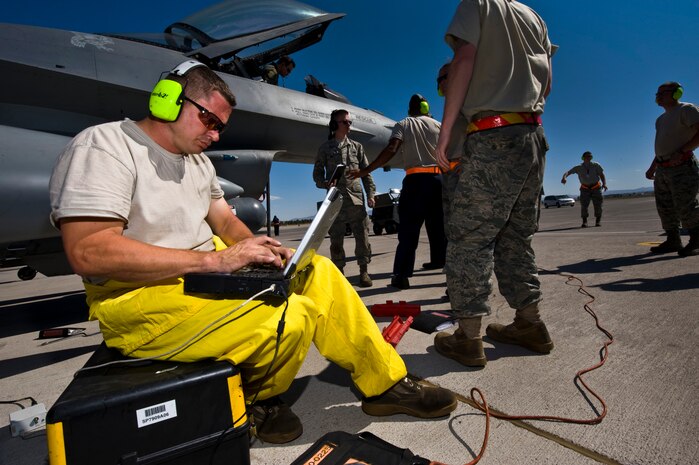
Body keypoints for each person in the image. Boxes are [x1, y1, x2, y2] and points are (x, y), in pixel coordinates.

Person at [48, 61, 457, 445]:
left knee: (319, 272)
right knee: (290, 317)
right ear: (168, 99)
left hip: (201, 282)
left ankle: (385, 382)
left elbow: (226, 224)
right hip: (136, 300)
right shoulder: (105, 145)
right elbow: (89, 251)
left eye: (221, 126)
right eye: (209, 120)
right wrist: (212, 261)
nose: (215, 134)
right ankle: (261, 396)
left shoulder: (197, 164)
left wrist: (268, 250)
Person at [432, 0, 556, 368]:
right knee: (516, 237)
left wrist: (444, 135)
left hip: (492, 134)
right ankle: (530, 324)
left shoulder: (479, 4)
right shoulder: (534, 16)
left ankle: (468, 339)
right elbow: (547, 84)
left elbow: (464, 61)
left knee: (470, 238)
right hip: (532, 136)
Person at [349, 94, 447, 290]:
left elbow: (392, 148)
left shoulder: (404, 124)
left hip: (416, 181)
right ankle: (439, 261)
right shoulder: (438, 125)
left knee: (409, 231)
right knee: (438, 229)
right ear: (426, 108)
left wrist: (366, 170)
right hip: (439, 180)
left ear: (410, 109)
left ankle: (401, 275)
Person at [313, 109, 376, 287]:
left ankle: (364, 272)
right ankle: (339, 274)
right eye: (345, 122)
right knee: (336, 239)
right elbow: (317, 173)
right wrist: (324, 183)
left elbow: (366, 173)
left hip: (356, 199)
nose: (349, 125)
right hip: (335, 200)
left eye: (349, 122)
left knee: (362, 236)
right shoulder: (325, 149)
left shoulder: (357, 147)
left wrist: (370, 194)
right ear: (335, 125)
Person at [645, 81, 699, 257]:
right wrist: (653, 167)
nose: (658, 96)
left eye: (663, 92)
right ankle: (673, 240)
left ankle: (697, 241)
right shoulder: (660, 119)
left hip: (682, 166)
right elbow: (663, 146)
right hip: (663, 168)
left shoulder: (687, 110)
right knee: (665, 206)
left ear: (677, 93)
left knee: (686, 204)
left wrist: (683, 151)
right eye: (657, 93)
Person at [561, 151, 608, 227]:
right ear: (583, 158)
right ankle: (584, 221)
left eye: (590, 157)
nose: (588, 158)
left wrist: (604, 184)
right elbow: (568, 172)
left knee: (598, 205)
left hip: (596, 187)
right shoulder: (578, 167)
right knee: (584, 206)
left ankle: (598, 221)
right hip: (585, 188)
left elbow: (602, 175)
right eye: (587, 156)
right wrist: (564, 178)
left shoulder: (596, 165)